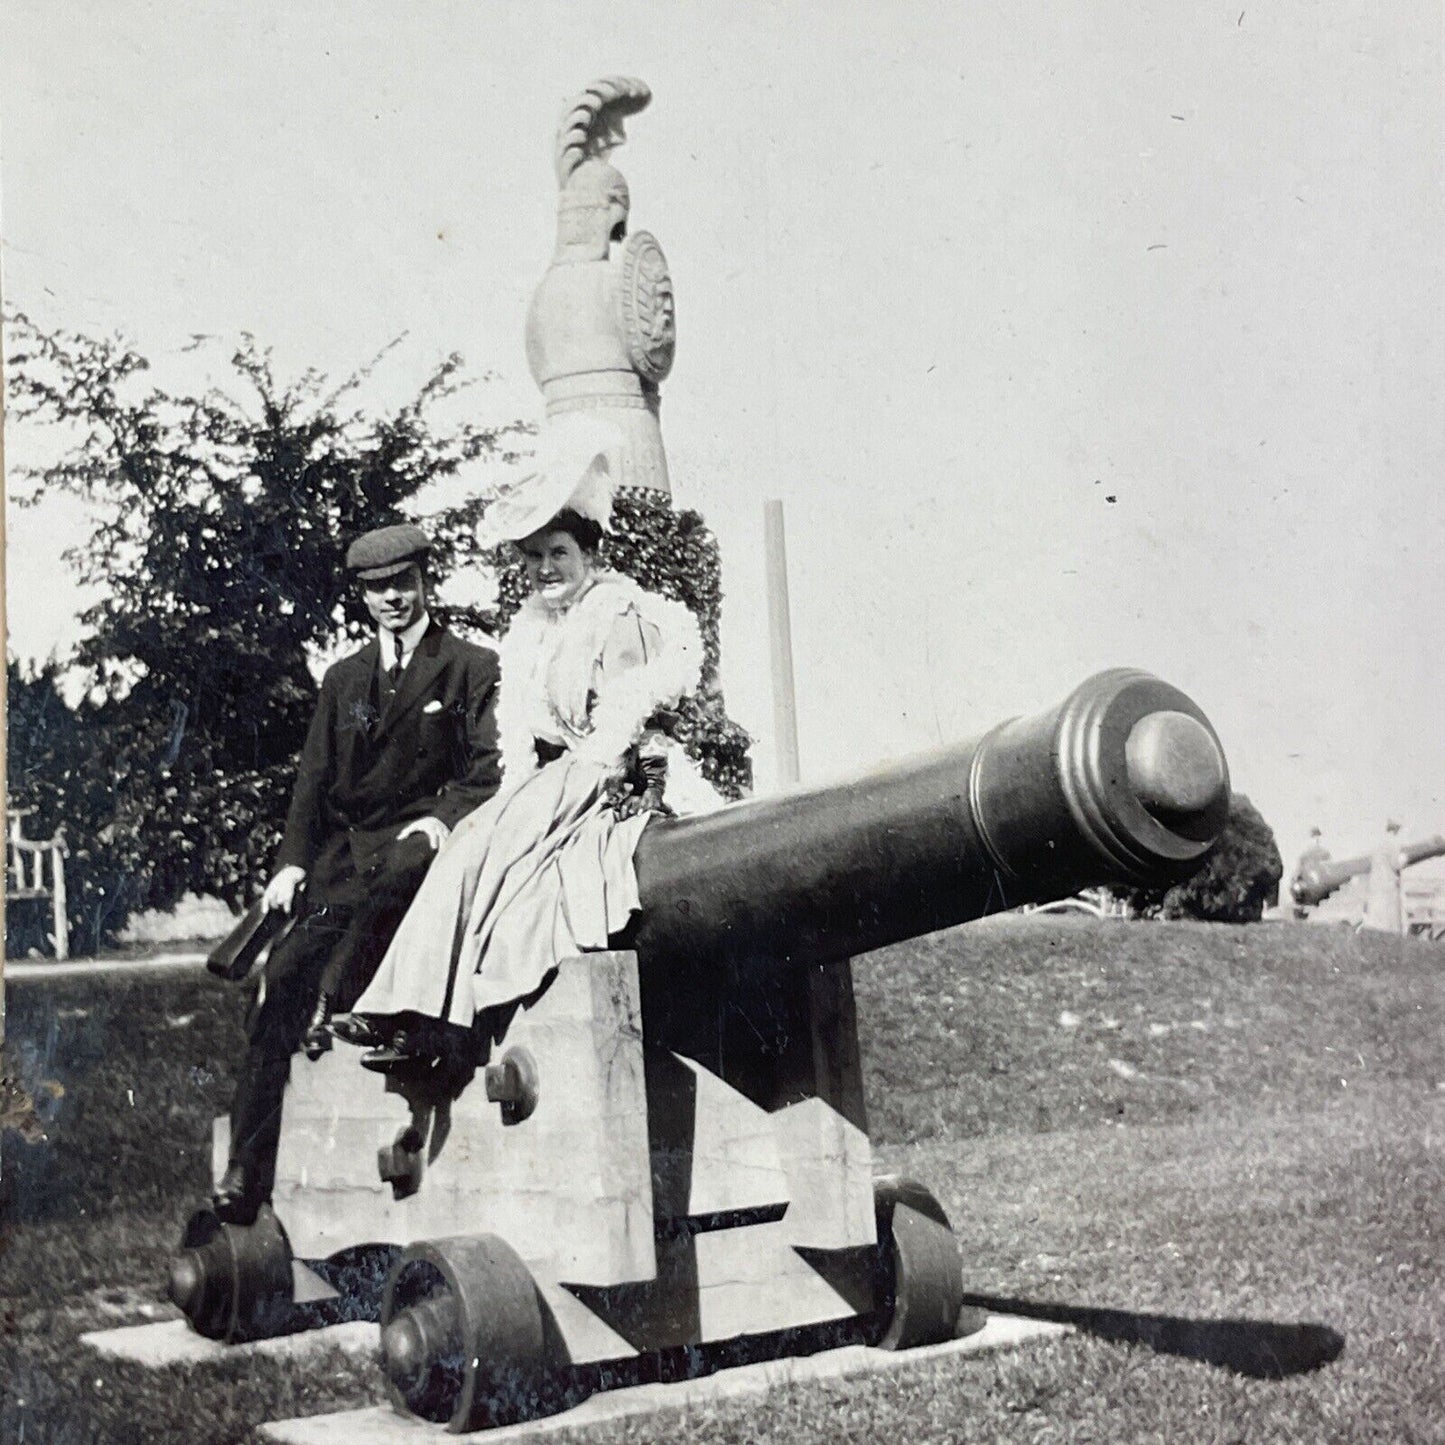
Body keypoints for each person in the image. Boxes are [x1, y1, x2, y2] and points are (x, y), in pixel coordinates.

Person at [338, 427, 719, 1071]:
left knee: (495, 852)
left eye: (560, 553)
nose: (547, 569)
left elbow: (629, 723)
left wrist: (593, 785)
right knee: (473, 843)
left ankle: (424, 1017)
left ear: (590, 555)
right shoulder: (532, 628)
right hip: (562, 777)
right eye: (536, 557)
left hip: (613, 774)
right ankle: (411, 1010)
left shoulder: (618, 613)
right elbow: (523, 733)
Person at [211, 524, 502, 1223]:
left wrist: (441, 819)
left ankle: (332, 1000)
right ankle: (245, 1174)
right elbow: (313, 781)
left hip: (418, 857)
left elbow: (484, 772)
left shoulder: (469, 665)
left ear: (425, 580)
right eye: (377, 590)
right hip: (345, 862)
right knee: (278, 980)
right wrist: (290, 863)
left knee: (391, 880)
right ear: (362, 596)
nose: (392, 600)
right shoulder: (343, 679)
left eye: (402, 584)